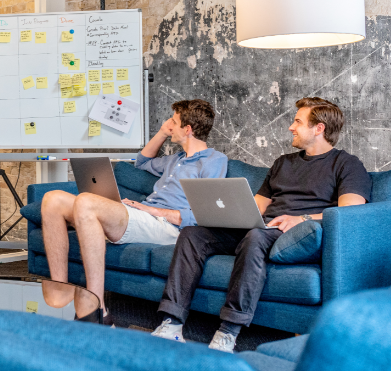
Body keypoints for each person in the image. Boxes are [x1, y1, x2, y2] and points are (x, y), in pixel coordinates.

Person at [153, 97, 372, 353]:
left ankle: (228, 331)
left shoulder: (347, 164)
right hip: (264, 228)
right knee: (193, 234)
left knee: (255, 236)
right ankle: (172, 323)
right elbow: (256, 206)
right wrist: (227, 215)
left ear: (319, 128)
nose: (291, 126)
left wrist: (301, 219)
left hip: (298, 233)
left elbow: (350, 212)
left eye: (298, 121)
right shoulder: (283, 162)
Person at [41, 99, 228, 325]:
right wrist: (161, 133)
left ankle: (97, 307)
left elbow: (204, 214)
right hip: (143, 217)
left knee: (86, 202)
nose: (168, 124)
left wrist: (153, 210)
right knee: (52, 200)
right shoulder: (175, 160)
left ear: (187, 129)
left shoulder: (213, 161)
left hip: (167, 227)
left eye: (173, 121)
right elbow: (141, 162)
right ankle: (60, 287)